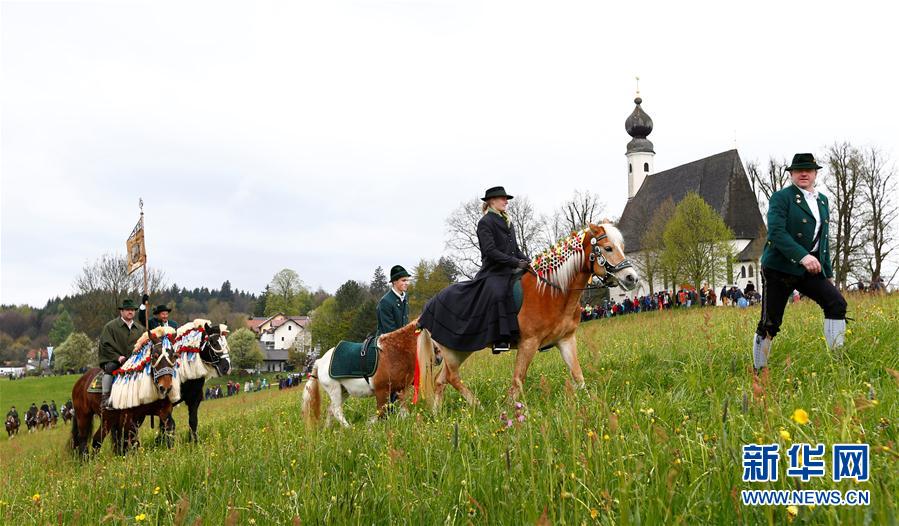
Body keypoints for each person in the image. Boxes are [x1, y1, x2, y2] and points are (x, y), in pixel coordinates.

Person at [752, 153, 848, 372]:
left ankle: (838, 362)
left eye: (809, 170)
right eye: (799, 170)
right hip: (779, 267)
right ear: (792, 174)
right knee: (770, 323)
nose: (804, 174)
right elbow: (776, 232)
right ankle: (759, 370)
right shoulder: (781, 197)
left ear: (815, 174)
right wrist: (803, 256)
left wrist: (828, 273)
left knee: (836, 303)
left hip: (810, 268)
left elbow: (823, 240)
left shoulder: (822, 200)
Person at [418, 186, 530, 353]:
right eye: (503, 198)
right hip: (494, 271)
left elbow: (515, 248)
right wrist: (514, 262)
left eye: (506, 199)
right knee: (498, 292)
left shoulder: (508, 221)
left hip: (511, 268)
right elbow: (490, 251)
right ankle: (500, 339)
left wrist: (526, 260)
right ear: (492, 201)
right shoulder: (485, 222)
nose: (506, 201)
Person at [98, 298, 145, 410]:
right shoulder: (110, 327)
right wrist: (117, 357)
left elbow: (145, 345)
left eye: (133, 310)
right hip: (115, 360)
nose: (130, 312)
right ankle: (105, 398)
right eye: (127, 310)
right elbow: (105, 345)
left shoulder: (140, 329)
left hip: (134, 361)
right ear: (121, 311)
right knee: (110, 368)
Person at [377, 265, 411, 335]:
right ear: (395, 281)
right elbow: (389, 331)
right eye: (404, 280)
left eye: (408, 280)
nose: (407, 283)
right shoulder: (385, 301)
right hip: (387, 341)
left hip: (401, 338)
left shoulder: (405, 297)